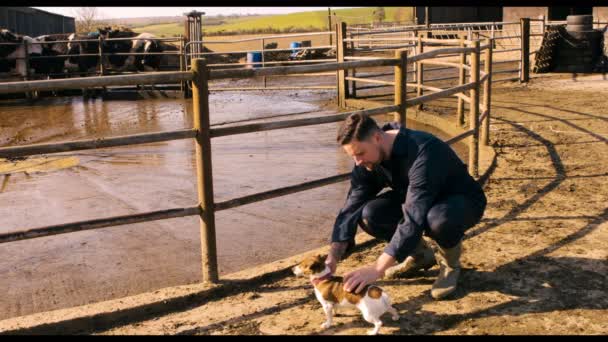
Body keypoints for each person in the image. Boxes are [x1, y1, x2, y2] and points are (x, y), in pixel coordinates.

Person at [325, 113, 487, 300]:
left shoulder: (423, 151)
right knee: (369, 214)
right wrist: (333, 258)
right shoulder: (368, 158)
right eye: (353, 156)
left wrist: (378, 268)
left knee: (438, 220)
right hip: (418, 199)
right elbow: (352, 206)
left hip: (460, 200)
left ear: (377, 138)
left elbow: (413, 216)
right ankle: (420, 255)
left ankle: (450, 265)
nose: (358, 162)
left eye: (360, 153)